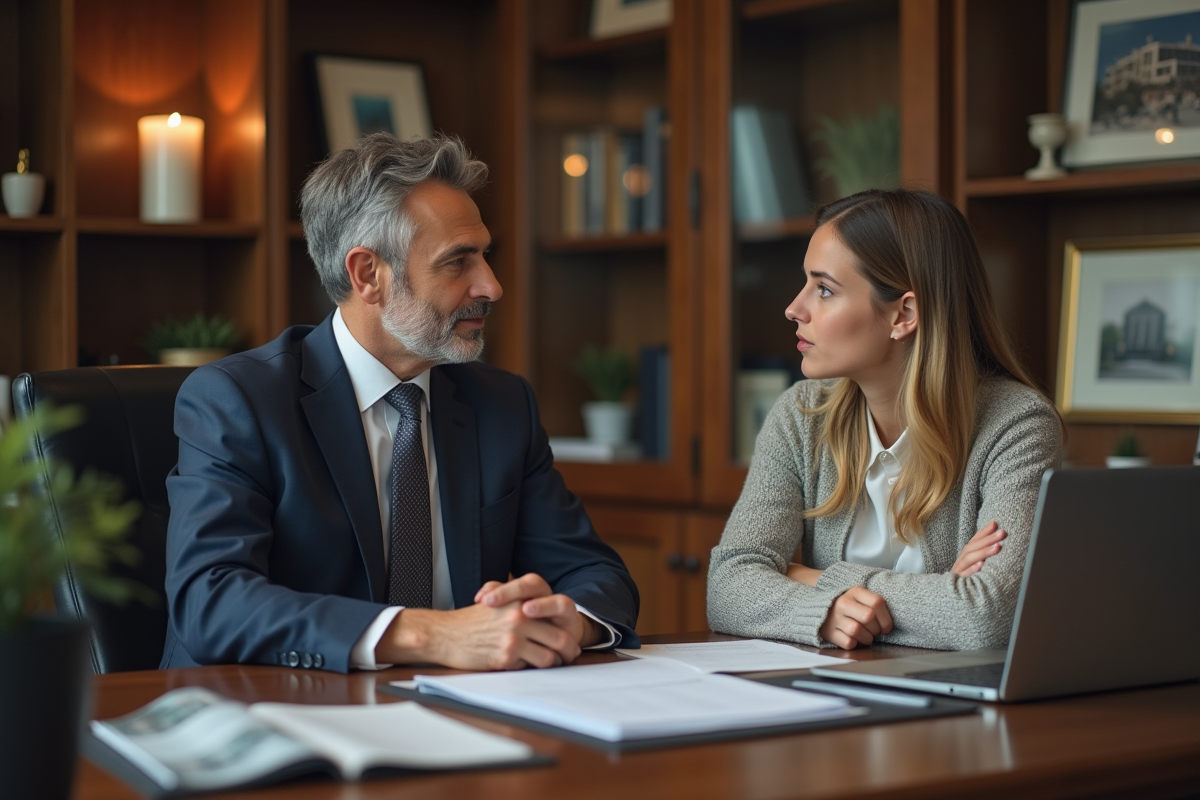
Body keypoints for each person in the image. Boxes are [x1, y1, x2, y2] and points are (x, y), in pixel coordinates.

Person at [161, 133, 639, 673]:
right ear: (368, 274)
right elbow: (211, 600)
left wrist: (566, 619)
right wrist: (431, 634)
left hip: (459, 710)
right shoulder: (238, 400)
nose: (492, 285)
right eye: (459, 262)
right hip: (268, 714)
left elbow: (596, 574)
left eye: (485, 255)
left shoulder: (502, 405)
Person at [707, 189, 1062, 651]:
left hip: (959, 710)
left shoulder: (1017, 426)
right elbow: (727, 587)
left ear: (904, 315)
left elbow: (987, 617)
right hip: (837, 694)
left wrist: (810, 579)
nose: (794, 308)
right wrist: (939, 592)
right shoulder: (801, 415)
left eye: (825, 289)